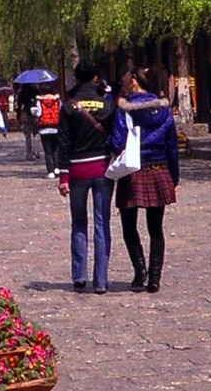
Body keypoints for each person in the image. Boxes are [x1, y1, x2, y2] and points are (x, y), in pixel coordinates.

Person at [114, 66, 180, 292]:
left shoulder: (125, 109)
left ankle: (140, 272)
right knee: (156, 228)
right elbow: (172, 146)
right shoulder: (165, 111)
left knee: (128, 225)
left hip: (133, 169)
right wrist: (175, 176)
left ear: (133, 83)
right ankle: (154, 279)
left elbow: (117, 140)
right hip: (159, 168)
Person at [56, 62, 118, 293]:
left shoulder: (69, 106)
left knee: (79, 222)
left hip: (77, 170)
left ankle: (79, 276)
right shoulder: (107, 103)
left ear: (76, 78)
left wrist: (63, 175)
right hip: (102, 168)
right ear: (95, 77)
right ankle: (101, 280)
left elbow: (63, 143)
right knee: (102, 223)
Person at [37, 87, 62, 176]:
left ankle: (50, 171)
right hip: (56, 127)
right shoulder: (57, 101)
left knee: (48, 151)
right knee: (56, 149)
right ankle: (57, 168)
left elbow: (39, 113)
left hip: (44, 128)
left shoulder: (40, 101)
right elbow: (61, 111)